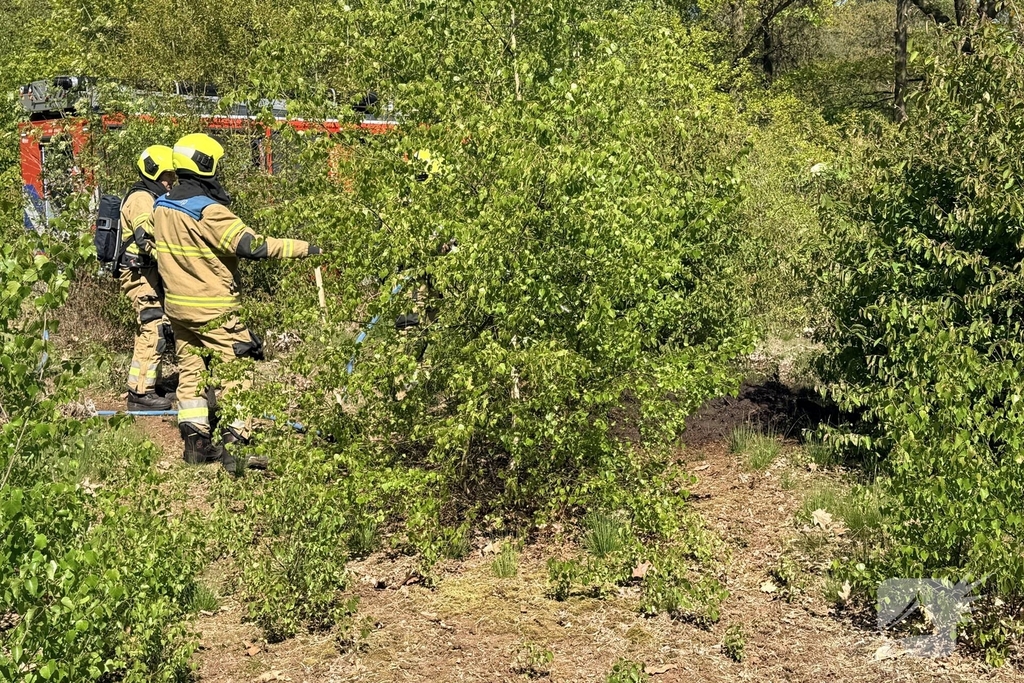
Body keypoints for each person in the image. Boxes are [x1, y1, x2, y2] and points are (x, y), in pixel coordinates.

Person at [152, 133, 320, 471]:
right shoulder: (208, 211)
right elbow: (252, 246)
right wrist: (306, 248)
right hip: (214, 310)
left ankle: (197, 445)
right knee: (237, 373)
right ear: (205, 164)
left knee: (191, 371)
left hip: (179, 309)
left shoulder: (162, 205)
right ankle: (237, 446)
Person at [121, 145, 176, 410]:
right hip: (139, 273)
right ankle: (140, 393)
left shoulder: (152, 196)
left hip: (149, 273)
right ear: (153, 171)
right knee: (153, 326)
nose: (171, 181)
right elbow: (145, 235)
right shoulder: (141, 198)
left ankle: (150, 382)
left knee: (159, 325)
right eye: (167, 175)